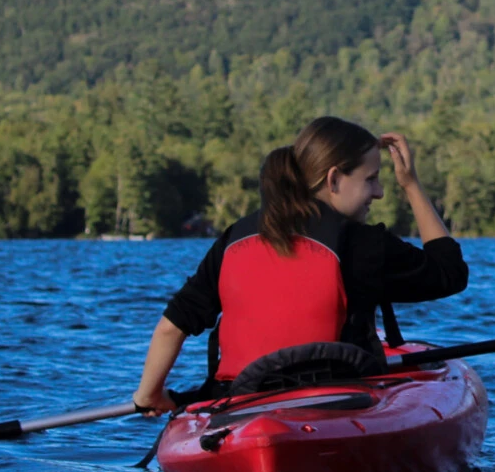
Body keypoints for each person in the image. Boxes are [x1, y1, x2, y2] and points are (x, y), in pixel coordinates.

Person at [132, 116, 467, 412]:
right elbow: (449, 273)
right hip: (336, 402)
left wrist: (150, 396)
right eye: (371, 179)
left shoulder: (235, 237)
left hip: (243, 404)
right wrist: (411, 184)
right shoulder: (362, 243)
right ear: (334, 179)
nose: (379, 192)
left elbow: (170, 327)